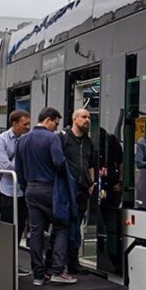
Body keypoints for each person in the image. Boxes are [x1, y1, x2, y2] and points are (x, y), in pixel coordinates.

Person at [15, 107, 77, 286]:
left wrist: (27, 186)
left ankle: (38, 275)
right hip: (50, 189)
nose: (56, 127)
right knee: (61, 226)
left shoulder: (23, 140)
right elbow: (58, 162)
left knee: (35, 232)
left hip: (31, 190)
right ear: (49, 119)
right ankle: (57, 270)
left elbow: (18, 169)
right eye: (56, 123)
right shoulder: (52, 138)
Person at [61, 109, 97, 273]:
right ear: (74, 119)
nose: (87, 120)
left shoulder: (88, 142)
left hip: (83, 190)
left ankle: (73, 261)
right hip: (67, 190)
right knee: (64, 226)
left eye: (89, 117)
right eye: (84, 117)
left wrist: (92, 183)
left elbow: (90, 164)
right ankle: (58, 262)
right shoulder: (63, 138)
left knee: (77, 226)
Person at [0, 110, 31, 244]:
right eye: (24, 124)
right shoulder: (1, 140)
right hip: (8, 191)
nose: (27, 127)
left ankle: (15, 255)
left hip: (23, 191)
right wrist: (23, 170)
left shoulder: (27, 139)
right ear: (15, 123)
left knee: (21, 224)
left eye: (28, 124)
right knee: (8, 225)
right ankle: (6, 258)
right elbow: (5, 167)